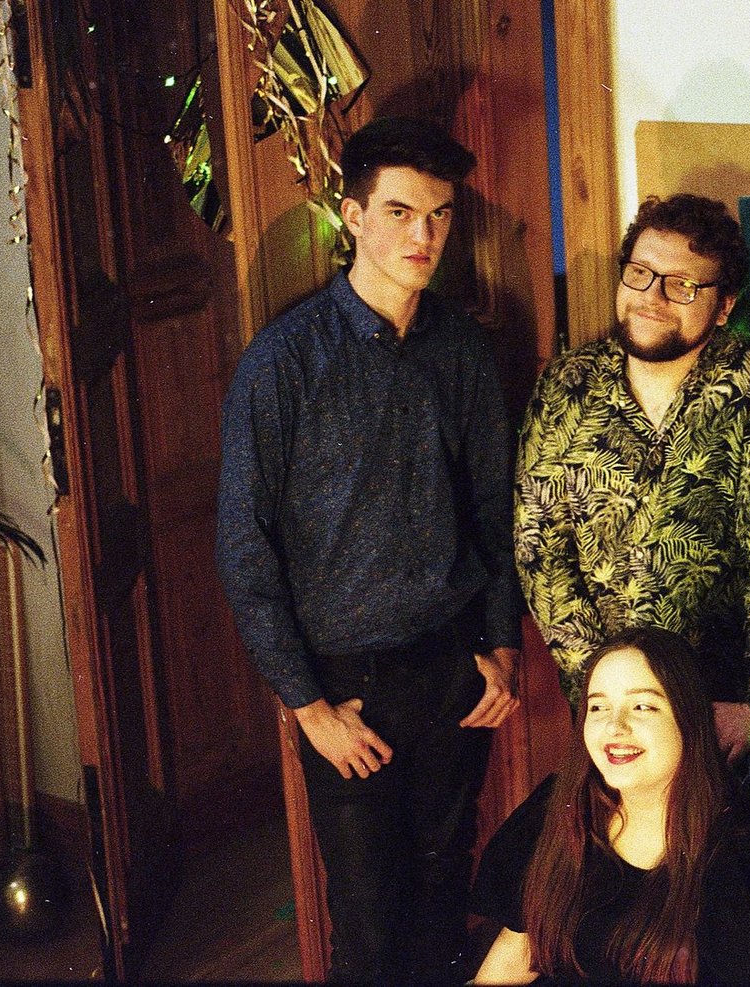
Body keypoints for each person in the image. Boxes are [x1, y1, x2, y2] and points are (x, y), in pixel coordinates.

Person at [215, 117, 521, 982]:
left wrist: (501, 647)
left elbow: (494, 509)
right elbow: (243, 544)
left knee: (444, 890)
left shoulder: (461, 349)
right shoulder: (283, 362)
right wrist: (310, 707)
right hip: (347, 684)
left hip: (452, 667)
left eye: (439, 214)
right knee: (367, 920)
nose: (424, 235)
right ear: (352, 216)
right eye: (399, 212)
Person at [514, 193, 750, 792]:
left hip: (722, 703)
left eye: (682, 285)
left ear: (724, 306)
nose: (652, 297)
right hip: (607, 707)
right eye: (640, 273)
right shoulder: (568, 384)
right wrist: (605, 690)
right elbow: (539, 549)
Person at [469, 627, 750, 985]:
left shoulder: (748, 861)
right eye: (598, 707)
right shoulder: (558, 808)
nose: (614, 726)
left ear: (690, 719)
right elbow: (519, 947)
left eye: (642, 707)